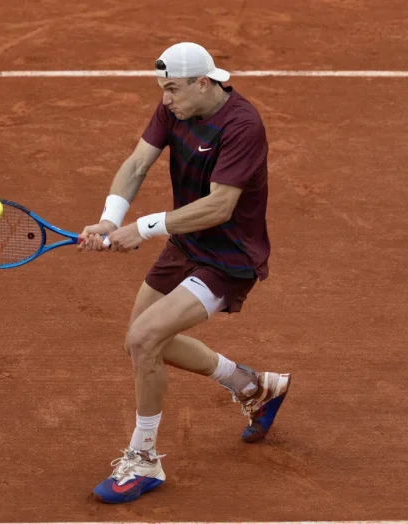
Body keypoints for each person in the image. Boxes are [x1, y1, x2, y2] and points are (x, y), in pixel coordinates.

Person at [77, 42, 291, 504]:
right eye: (163, 89)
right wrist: (111, 220)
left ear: (203, 82)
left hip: (229, 256)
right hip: (186, 243)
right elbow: (136, 163)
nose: (166, 99)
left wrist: (143, 228)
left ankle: (143, 458)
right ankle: (251, 385)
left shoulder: (242, 125)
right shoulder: (173, 108)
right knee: (144, 338)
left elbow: (220, 206)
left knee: (143, 339)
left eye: (173, 89)